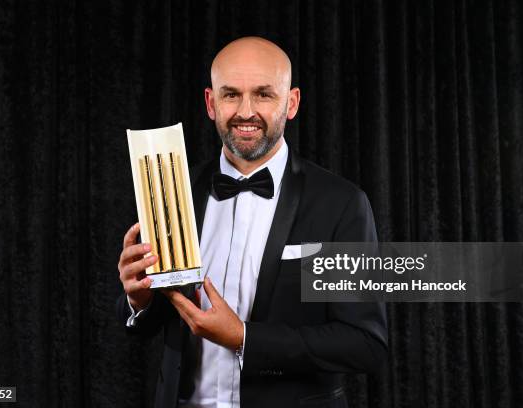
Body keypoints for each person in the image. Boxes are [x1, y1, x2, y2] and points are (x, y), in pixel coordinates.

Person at [116, 36, 388, 408]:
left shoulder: (340, 204)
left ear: (291, 103)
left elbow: (364, 344)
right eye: (231, 95)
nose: (246, 111)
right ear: (211, 103)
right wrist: (139, 300)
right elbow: (155, 319)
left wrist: (244, 338)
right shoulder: (173, 191)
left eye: (263, 94)